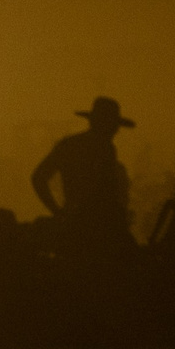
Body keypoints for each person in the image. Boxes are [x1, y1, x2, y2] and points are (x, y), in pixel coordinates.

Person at [32, 96, 134, 255]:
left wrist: (58, 212)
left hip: (76, 225)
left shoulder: (69, 145)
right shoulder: (105, 148)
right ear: (104, 124)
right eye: (113, 125)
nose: (116, 130)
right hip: (101, 230)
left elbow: (38, 178)